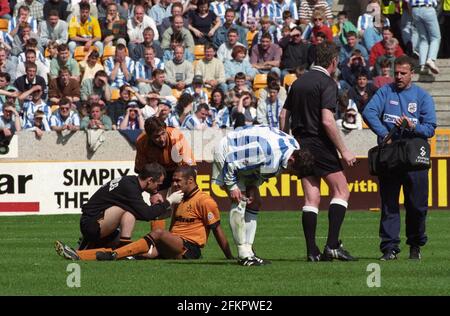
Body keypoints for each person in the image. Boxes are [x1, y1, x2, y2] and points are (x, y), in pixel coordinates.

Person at [55, 166, 234, 261]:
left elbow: (217, 229)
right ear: (150, 180)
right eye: (173, 181)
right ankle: (87, 254)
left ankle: (93, 253)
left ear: (190, 180)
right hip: (171, 243)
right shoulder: (178, 199)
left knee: (144, 244)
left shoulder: (205, 201)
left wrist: (229, 256)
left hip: (189, 248)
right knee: (134, 249)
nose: (174, 185)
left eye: (178, 181)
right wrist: (165, 204)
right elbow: (149, 216)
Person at [280, 42, 357, 262]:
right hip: (319, 143)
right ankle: (332, 245)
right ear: (333, 61)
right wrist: (344, 150)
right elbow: (327, 120)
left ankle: (312, 251)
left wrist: (286, 142)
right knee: (341, 190)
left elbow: (283, 116)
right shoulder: (328, 83)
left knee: (311, 197)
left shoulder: (297, 82)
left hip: (300, 144)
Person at [362, 55, 437, 260]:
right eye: (396, 73)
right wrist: (383, 135)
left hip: (415, 156)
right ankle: (389, 248)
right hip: (392, 154)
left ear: (412, 73)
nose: (399, 77)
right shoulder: (386, 91)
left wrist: (413, 126)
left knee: (417, 205)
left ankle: (415, 244)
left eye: (403, 73)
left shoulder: (422, 97)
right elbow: (369, 112)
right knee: (389, 204)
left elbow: (430, 128)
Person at [212, 124, 308, 266]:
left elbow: (262, 168)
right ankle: (243, 254)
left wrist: (253, 185)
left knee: (255, 201)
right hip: (228, 151)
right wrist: (232, 186)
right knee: (239, 200)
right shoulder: (267, 152)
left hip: (247, 156)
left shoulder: (293, 148)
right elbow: (232, 160)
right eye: (293, 173)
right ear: (292, 160)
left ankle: (249, 251)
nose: (292, 176)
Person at [54, 163, 185, 256]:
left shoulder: (130, 182)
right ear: (150, 180)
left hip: (96, 222)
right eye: (158, 184)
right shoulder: (130, 188)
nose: (158, 187)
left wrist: (154, 201)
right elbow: (145, 214)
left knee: (109, 250)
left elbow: (142, 212)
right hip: (91, 225)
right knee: (127, 211)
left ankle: (105, 246)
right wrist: (169, 201)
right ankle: (118, 249)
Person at [134, 117, 196, 230]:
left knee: (183, 204)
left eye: (163, 134)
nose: (162, 139)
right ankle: (156, 238)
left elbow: (188, 169)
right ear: (149, 136)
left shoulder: (176, 136)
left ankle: (179, 235)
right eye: (156, 137)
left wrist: (180, 190)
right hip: (158, 172)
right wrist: (153, 192)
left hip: (180, 169)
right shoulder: (141, 142)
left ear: (165, 128)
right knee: (156, 204)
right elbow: (142, 172)